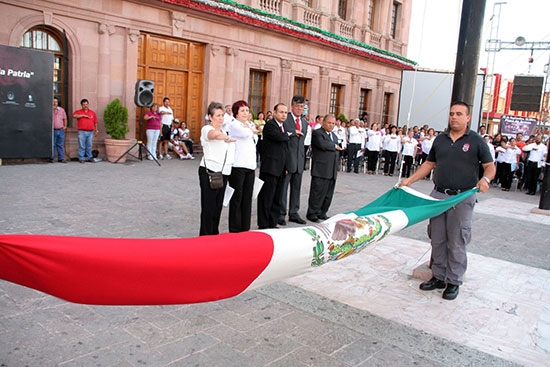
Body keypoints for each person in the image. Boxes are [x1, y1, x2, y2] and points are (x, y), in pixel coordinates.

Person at [399, 101, 495, 301]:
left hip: (462, 196)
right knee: (437, 238)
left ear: (468, 118)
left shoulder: (476, 141)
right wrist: (410, 180)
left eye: (459, 114)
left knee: (457, 240)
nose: (454, 117)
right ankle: (438, 277)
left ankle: (454, 281)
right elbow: (429, 164)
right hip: (438, 196)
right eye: (452, 113)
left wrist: (485, 179)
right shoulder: (440, 140)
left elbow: (489, 166)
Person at [198, 102, 235, 236]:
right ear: (210, 116)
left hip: (223, 173)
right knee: (208, 207)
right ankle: (205, 237)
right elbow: (213, 135)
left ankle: (214, 235)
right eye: (218, 115)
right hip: (209, 172)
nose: (220, 118)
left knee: (218, 207)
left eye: (222, 115)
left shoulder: (224, 131)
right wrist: (224, 137)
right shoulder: (207, 129)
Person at [257, 103, 291, 229]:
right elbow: (280, 137)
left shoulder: (284, 126)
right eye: (281, 112)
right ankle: (264, 224)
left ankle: (272, 222)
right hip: (270, 168)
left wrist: (287, 166)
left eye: (285, 113)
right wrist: (289, 135)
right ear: (275, 112)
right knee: (267, 197)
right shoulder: (270, 125)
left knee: (277, 197)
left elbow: (286, 149)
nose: (283, 115)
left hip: (281, 168)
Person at [228, 100, 258, 232]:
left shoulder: (249, 124)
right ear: (236, 113)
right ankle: (235, 228)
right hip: (238, 165)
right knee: (237, 198)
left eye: (247, 110)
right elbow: (247, 134)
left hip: (250, 166)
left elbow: (254, 138)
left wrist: (252, 129)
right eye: (242, 110)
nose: (246, 113)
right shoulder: (234, 125)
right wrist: (252, 130)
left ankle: (245, 228)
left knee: (247, 198)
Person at [306, 114, 342, 223]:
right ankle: (312, 213)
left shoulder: (334, 136)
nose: (331, 125)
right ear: (323, 123)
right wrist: (334, 146)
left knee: (328, 194)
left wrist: (337, 167)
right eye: (329, 123)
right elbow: (322, 145)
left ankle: (322, 212)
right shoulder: (318, 133)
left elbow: (338, 153)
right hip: (320, 169)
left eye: (333, 123)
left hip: (331, 170)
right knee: (317, 193)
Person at [280, 96, 307, 225]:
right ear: (292, 106)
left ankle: (294, 213)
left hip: (299, 161)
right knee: (283, 189)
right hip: (287, 160)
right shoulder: (286, 120)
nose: (300, 108)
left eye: (302, 106)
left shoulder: (305, 123)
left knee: (296, 189)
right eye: (297, 106)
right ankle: (281, 213)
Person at [72, 98, 98, 163]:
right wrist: (83, 115)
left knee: (89, 145)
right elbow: (74, 115)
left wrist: (96, 130)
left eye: (86, 104)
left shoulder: (92, 112)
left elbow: (96, 122)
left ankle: (89, 157)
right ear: (81, 105)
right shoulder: (79, 112)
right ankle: (81, 158)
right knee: (82, 145)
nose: (85, 106)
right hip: (82, 131)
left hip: (90, 132)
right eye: (84, 105)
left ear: (88, 104)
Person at [51, 97, 67, 163]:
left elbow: (65, 118)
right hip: (53, 130)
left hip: (60, 129)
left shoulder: (61, 110)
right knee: (53, 145)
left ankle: (61, 158)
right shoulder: (49, 109)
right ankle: (52, 158)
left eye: (56, 102)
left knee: (60, 144)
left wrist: (65, 126)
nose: (55, 103)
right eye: (53, 102)